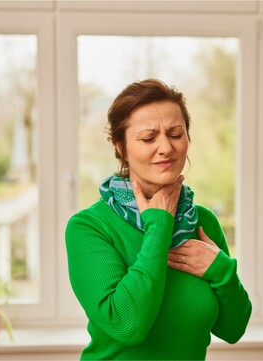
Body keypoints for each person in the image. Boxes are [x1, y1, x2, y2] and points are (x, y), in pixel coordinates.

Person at [65, 78, 252, 360]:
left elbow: (233, 329)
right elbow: (127, 326)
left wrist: (222, 271)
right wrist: (159, 223)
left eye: (176, 134)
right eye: (149, 138)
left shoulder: (202, 222)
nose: (165, 148)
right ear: (121, 147)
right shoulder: (89, 227)